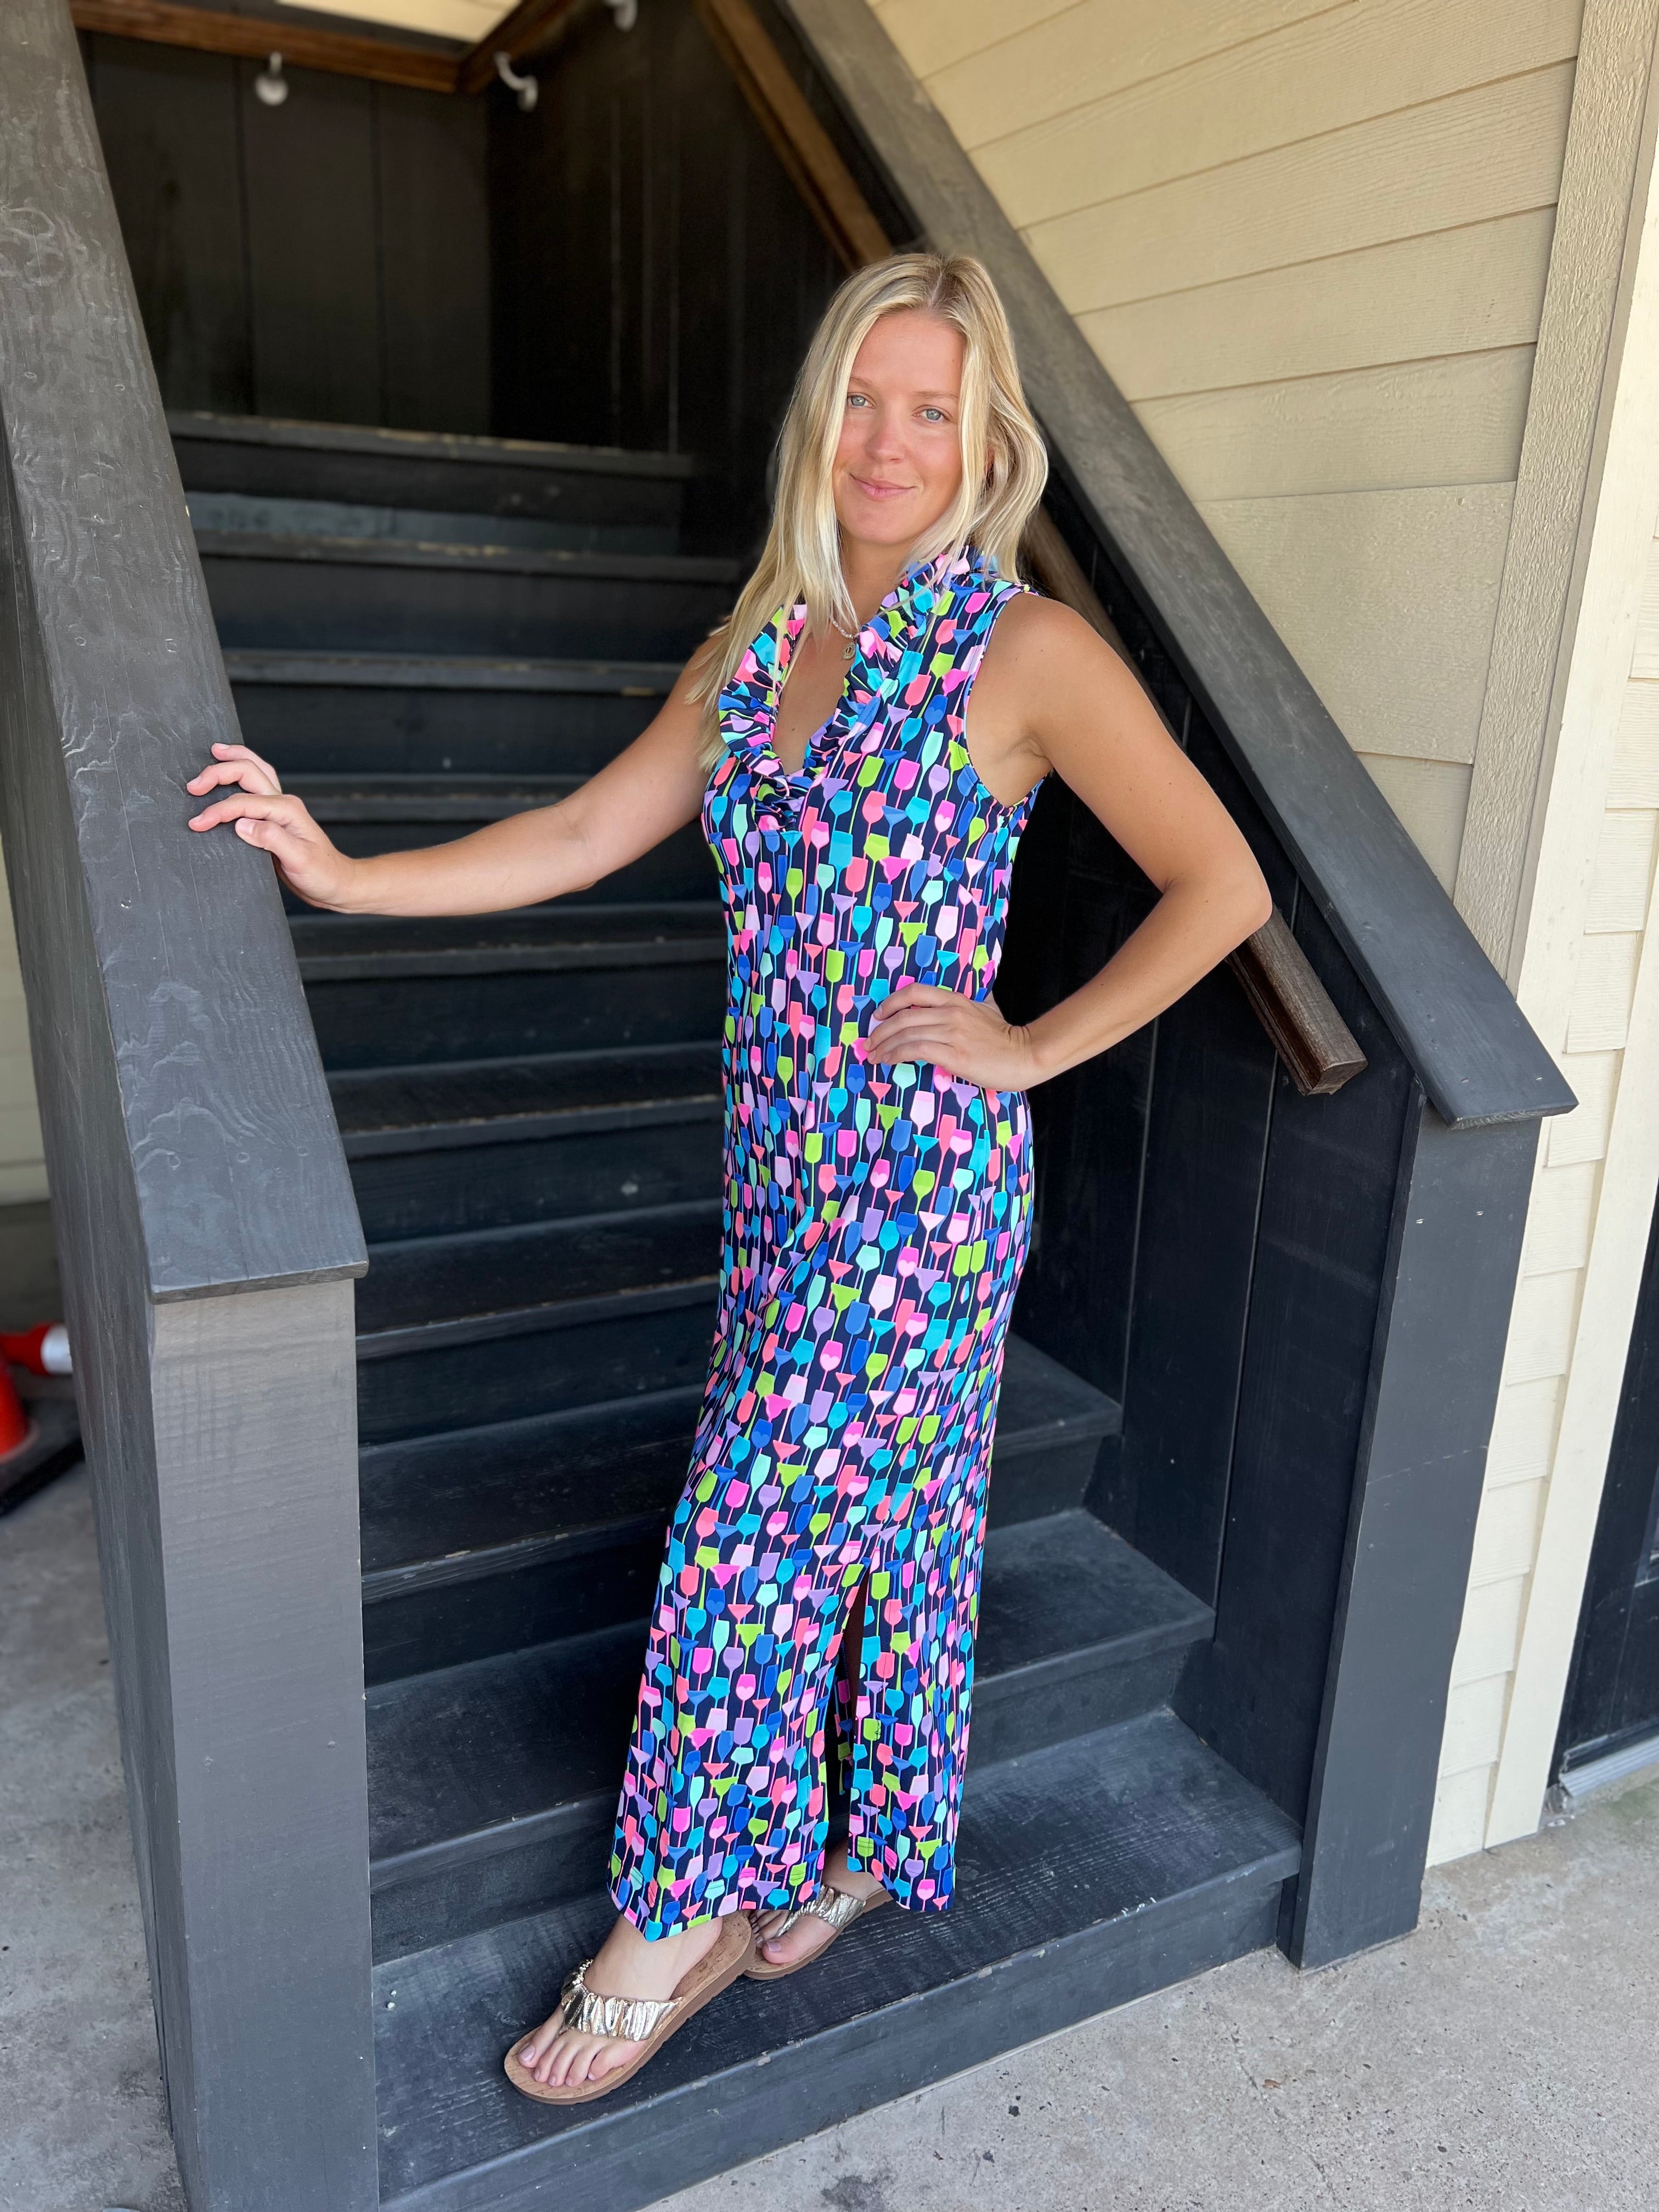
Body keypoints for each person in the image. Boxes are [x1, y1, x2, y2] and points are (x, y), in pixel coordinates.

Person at [186, 251, 1271, 2106]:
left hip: (922, 1195)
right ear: (817, 417)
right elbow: (585, 828)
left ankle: (673, 1922)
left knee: (749, 1542)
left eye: (932, 410)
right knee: (902, 1519)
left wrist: (1030, 1044)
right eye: (863, 401)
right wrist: (346, 874)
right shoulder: (758, 645)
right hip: (782, 1175)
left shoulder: (1024, 652)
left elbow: (1223, 884)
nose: (889, 443)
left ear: (985, 439)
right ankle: (868, 1845)